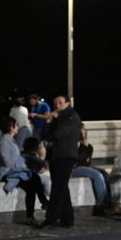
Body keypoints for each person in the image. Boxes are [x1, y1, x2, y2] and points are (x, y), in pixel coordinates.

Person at [39, 94, 81, 229]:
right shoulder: (56, 118)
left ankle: (51, 219)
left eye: (60, 103)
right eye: (55, 103)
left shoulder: (72, 117)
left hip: (66, 156)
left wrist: (54, 120)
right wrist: (48, 121)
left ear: (68, 104)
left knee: (58, 188)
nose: (57, 106)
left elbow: (57, 134)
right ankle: (68, 218)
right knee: (61, 187)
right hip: (55, 157)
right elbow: (44, 135)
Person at [0, 116, 48, 223]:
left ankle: (34, 212)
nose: (17, 127)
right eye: (16, 125)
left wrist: (23, 166)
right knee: (33, 180)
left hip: (16, 171)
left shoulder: (11, 141)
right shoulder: (4, 142)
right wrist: (23, 166)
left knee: (33, 182)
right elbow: (8, 162)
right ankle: (41, 205)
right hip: (9, 173)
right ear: (11, 127)